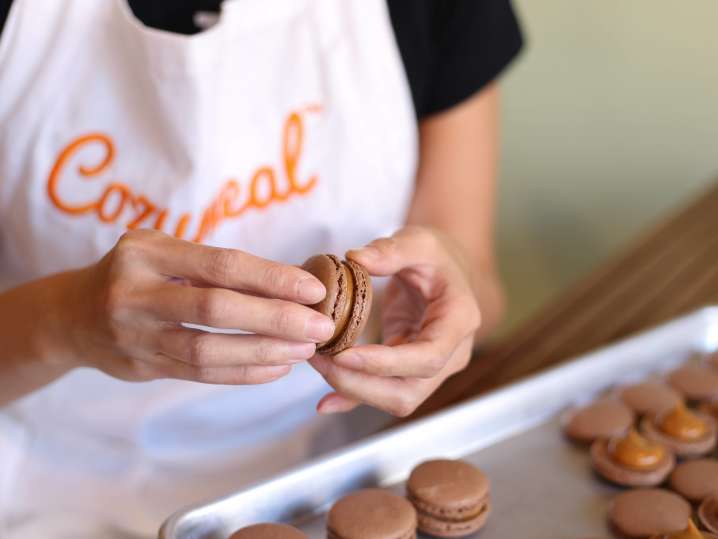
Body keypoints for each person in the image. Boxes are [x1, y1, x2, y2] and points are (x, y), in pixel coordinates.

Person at [0, 0, 522, 536]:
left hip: (336, 466)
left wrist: (438, 314)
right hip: (49, 481)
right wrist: (65, 320)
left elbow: (474, 279)